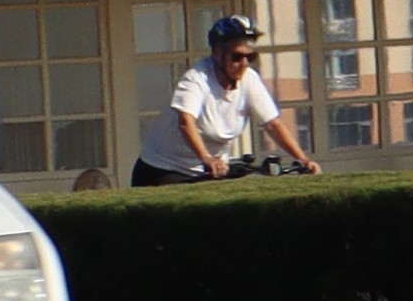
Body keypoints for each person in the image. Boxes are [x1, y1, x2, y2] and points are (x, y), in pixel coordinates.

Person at [131, 14, 321, 186]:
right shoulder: (196, 78)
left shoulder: (249, 79)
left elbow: (273, 124)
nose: (244, 64)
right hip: (163, 169)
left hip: (210, 169)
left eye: (250, 57)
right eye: (236, 56)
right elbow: (186, 122)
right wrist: (207, 159)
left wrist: (303, 160)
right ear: (217, 53)